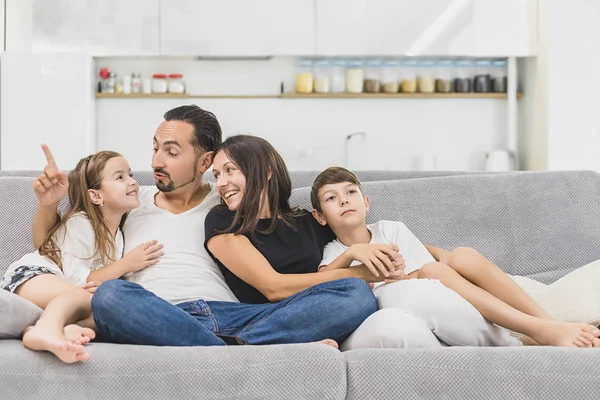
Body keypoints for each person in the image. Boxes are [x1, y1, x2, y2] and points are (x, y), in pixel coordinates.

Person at [32, 105, 375, 347]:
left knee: (356, 296)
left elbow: (332, 227)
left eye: (171, 151)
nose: (155, 162)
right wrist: (48, 205)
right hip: (157, 313)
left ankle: (225, 346)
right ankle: (237, 349)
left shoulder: (227, 201)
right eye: (155, 149)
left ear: (204, 160)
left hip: (237, 316)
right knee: (110, 296)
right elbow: (52, 248)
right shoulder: (131, 199)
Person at [310, 166, 600, 348]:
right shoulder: (334, 251)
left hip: (440, 290)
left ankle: (547, 325)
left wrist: (406, 272)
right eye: (331, 198)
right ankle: (537, 330)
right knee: (435, 272)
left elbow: (424, 265)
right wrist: (351, 255)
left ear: (366, 202)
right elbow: (321, 283)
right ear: (320, 217)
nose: (344, 200)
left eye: (350, 192)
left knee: (463, 256)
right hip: (404, 300)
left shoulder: (390, 229)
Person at [205, 135, 397, 345]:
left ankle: (252, 345)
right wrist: (359, 274)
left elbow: (363, 237)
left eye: (230, 170)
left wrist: (436, 254)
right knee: (357, 292)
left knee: (357, 298)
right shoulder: (222, 219)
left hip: (309, 314)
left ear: (266, 170)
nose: (221, 183)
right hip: (248, 317)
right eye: (217, 175)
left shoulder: (308, 221)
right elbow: (273, 287)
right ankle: (259, 343)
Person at [3, 149, 163, 363]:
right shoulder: (82, 223)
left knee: (106, 314)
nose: (132, 182)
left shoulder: (117, 237)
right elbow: (78, 279)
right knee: (88, 298)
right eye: (120, 177)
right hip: (31, 276)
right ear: (96, 195)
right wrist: (126, 264)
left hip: (57, 290)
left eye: (131, 175)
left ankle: (62, 328)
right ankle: (46, 329)